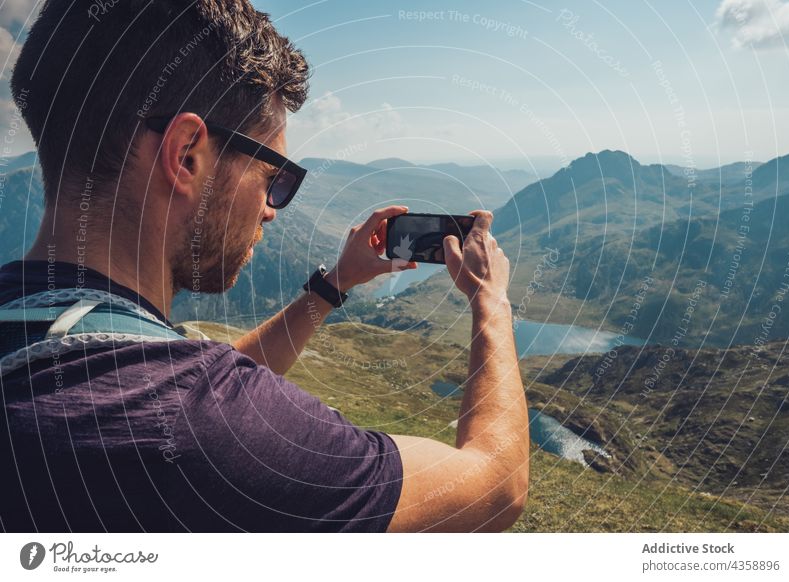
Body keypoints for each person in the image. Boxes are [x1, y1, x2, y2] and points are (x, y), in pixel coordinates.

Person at [0, 0, 529, 532]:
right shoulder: (197, 428)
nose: (272, 209)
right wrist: (491, 300)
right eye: (275, 176)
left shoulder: (37, 329)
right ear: (186, 155)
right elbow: (494, 484)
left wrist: (334, 285)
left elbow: (165, 368)